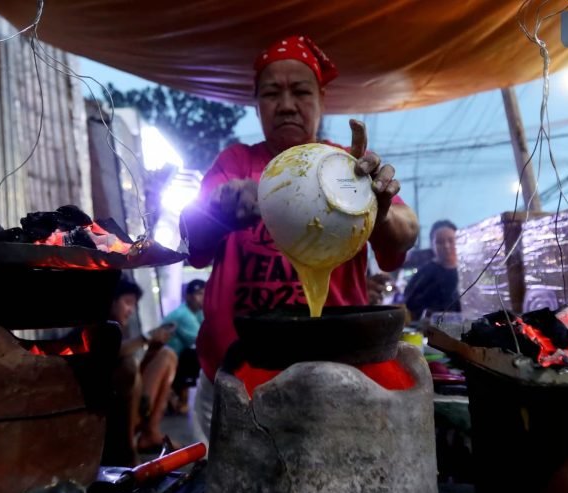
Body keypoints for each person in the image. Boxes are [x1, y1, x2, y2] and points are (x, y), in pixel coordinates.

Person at [180, 35, 419, 441]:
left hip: (338, 375)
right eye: (272, 93)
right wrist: (220, 206)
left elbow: (407, 231)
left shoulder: (347, 166)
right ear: (256, 104)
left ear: (322, 101)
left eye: (301, 91)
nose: (287, 104)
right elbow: (192, 237)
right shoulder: (236, 162)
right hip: (237, 374)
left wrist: (379, 210)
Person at [106, 278, 179, 463]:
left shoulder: (121, 328)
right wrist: (146, 337)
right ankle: (127, 449)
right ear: (111, 300)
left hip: (134, 404)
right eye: (127, 302)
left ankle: (150, 434)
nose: (131, 310)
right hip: (112, 418)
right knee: (128, 367)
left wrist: (153, 347)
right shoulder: (99, 327)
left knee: (166, 355)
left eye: (134, 305)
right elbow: (111, 353)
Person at [162, 279, 206, 414]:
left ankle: (177, 397)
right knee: (194, 354)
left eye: (204, 293)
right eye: (198, 293)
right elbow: (202, 339)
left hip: (174, 356)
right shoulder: (184, 314)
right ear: (188, 296)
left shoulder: (197, 312)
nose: (202, 297)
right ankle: (181, 399)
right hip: (166, 359)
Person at [402, 220, 460, 320]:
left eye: (451, 240)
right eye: (440, 242)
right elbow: (410, 304)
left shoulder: (468, 272)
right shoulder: (425, 273)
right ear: (432, 245)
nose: (446, 246)